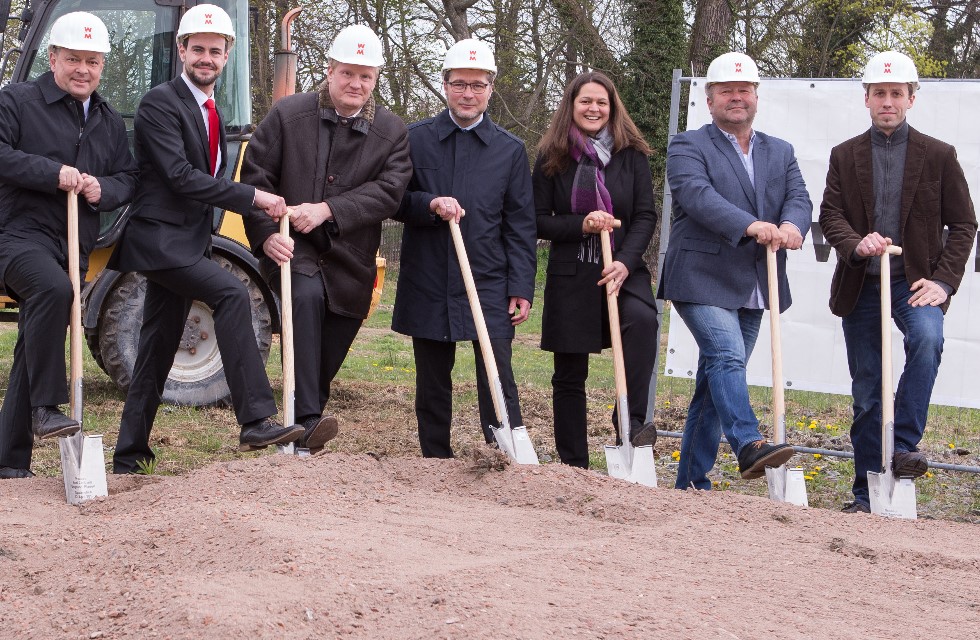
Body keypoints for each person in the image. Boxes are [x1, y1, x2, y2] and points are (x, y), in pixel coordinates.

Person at [107, 4, 302, 473]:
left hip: (188, 240)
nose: (206, 58)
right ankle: (255, 418)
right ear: (181, 51)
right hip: (159, 242)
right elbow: (180, 177)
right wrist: (253, 197)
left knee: (155, 348)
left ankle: (129, 454)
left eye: (216, 51)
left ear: (227, 55)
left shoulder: (216, 109)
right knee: (233, 293)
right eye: (198, 49)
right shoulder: (160, 103)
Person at [818, 51, 977, 513]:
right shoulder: (844, 155)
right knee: (868, 391)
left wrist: (944, 283)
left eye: (896, 94)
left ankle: (903, 446)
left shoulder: (939, 155)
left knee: (928, 341)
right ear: (866, 98)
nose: (887, 101)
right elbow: (830, 215)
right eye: (879, 93)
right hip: (862, 283)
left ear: (911, 98)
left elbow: (964, 225)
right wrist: (855, 243)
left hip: (915, 283)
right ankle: (866, 495)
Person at [241, 24, 411, 452]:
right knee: (304, 300)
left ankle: (303, 420)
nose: (355, 84)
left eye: (365, 76)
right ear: (330, 70)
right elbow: (256, 175)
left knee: (335, 337)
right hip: (292, 249)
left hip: (351, 256)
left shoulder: (391, 132)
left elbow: (390, 191)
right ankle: (308, 421)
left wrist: (329, 210)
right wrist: (264, 237)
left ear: (375, 79)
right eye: (347, 73)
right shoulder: (287, 115)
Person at [658, 52, 812, 490]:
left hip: (754, 281)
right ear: (710, 100)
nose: (736, 98)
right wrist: (749, 224)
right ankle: (748, 443)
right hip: (701, 276)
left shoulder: (780, 151)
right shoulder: (688, 145)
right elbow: (695, 195)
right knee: (726, 356)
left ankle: (689, 483)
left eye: (744, 90)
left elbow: (799, 197)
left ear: (756, 96)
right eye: (726, 91)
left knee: (713, 382)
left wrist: (791, 225)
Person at [0, 12, 137, 479]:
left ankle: (9, 461)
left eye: (93, 61)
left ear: (102, 66)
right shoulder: (16, 102)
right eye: (74, 59)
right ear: (53, 58)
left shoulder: (108, 121)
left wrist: (106, 190)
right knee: (53, 291)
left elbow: (129, 178)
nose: (83, 69)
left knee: (33, 346)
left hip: (74, 244)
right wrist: (51, 172)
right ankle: (46, 408)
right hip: (16, 235)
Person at [392, 39, 537, 458]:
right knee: (433, 377)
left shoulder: (510, 151)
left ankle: (504, 451)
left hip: (488, 279)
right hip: (429, 276)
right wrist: (429, 204)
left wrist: (521, 286)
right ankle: (435, 459)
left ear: (491, 88)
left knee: (497, 374)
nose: (468, 94)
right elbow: (394, 201)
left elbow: (520, 226)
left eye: (477, 85)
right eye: (459, 84)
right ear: (445, 85)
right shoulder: (415, 140)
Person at [533, 71, 659, 468]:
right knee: (570, 372)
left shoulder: (632, 154)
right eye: (586, 101)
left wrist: (626, 262)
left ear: (612, 107)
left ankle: (631, 421)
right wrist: (580, 224)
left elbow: (644, 216)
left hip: (622, 266)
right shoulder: (551, 157)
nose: (594, 108)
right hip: (572, 271)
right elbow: (536, 219)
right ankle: (574, 463)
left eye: (601, 102)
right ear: (571, 106)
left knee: (643, 322)